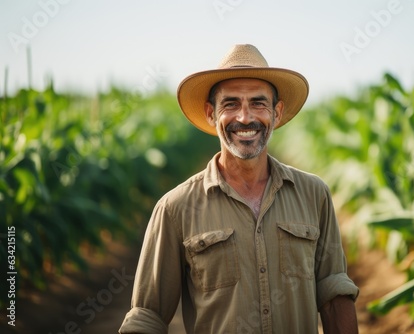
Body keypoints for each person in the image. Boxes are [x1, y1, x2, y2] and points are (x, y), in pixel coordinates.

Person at [119, 44, 359, 334]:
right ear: (211, 113)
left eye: (258, 103)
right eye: (230, 104)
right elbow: (148, 316)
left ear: (277, 112)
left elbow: (334, 292)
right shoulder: (175, 208)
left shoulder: (313, 194)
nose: (245, 118)